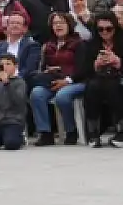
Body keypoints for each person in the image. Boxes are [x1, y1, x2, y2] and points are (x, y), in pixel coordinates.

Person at [77, 13, 123, 147]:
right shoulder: (90, 45)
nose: (104, 32)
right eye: (101, 29)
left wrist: (118, 63)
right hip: (98, 80)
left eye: (108, 29)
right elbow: (82, 70)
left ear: (115, 28)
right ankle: (93, 132)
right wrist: (95, 65)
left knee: (114, 86)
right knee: (93, 86)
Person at [30, 12, 84, 146]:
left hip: (76, 81)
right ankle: (45, 133)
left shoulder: (79, 43)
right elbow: (42, 68)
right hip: (53, 81)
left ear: (69, 25)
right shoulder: (48, 45)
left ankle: (71, 130)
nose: (58, 26)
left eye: (61, 22)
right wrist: (47, 71)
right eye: (55, 23)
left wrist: (67, 80)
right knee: (37, 93)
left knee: (62, 96)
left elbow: (83, 69)